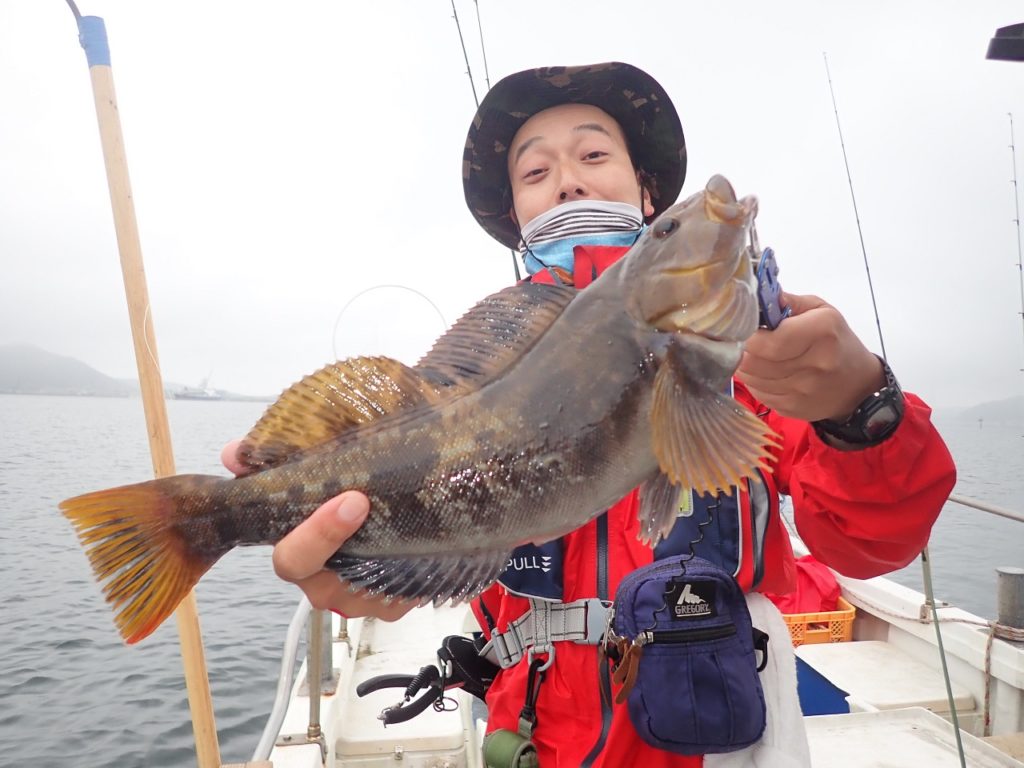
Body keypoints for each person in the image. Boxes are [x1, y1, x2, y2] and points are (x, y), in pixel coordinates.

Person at [224, 62, 956, 766]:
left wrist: (861, 409)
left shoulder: (762, 362)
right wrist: (367, 573)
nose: (568, 178)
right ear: (517, 216)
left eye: (594, 154)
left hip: (719, 732)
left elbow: (870, 546)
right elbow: (430, 515)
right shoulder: (488, 365)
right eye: (535, 173)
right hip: (536, 732)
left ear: (643, 191)